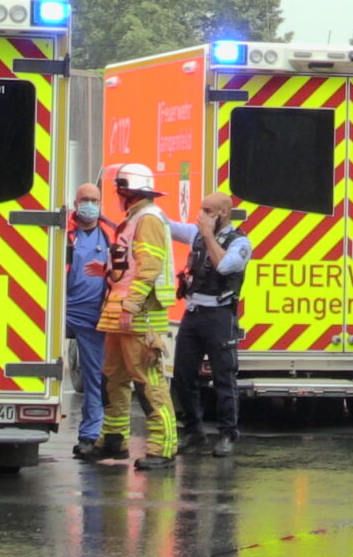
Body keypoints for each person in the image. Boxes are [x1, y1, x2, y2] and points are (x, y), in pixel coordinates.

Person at [78, 164, 178, 470]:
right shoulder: (135, 219)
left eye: (119, 192)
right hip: (118, 312)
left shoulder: (147, 219)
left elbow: (149, 266)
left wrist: (132, 305)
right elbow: (131, 265)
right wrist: (107, 271)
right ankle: (113, 440)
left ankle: (163, 448)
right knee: (113, 380)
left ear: (127, 192)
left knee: (148, 382)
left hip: (139, 316)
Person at [170, 192, 252, 458]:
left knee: (223, 378)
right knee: (183, 375)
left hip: (219, 316)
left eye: (208, 211)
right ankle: (194, 431)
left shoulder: (240, 242)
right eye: (201, 209)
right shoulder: (196, 234)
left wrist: (207, 234)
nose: (201, 215)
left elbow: (225, 267)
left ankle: (227, 434)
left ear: (224, 213)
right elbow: (168, 226)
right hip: (193, 314)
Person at [66, 183, 114, 456]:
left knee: (94, 375)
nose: (89, 204)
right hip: (58, 309)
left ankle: (90, 435)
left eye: (94, 200)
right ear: (75, 202)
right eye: (84, 199)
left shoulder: (109, 234)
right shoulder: (64, 232)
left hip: (92, 312)